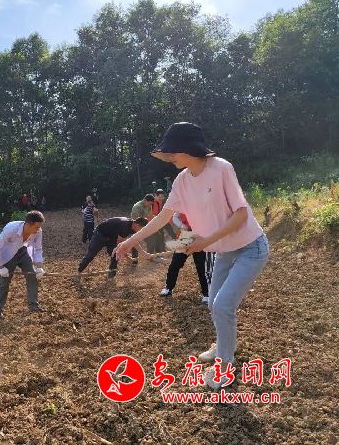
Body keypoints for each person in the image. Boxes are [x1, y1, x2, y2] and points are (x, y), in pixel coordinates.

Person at [113, 122, 269, 390]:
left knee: (222, 306)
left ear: (188, 148)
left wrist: (206, 241)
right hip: (224, 250)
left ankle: (225, 367)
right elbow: (163, 217)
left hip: (250, 247)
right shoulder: (182, 181)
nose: (169, 156)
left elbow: (242, 214)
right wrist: (131, 241)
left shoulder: (221, 169)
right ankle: (223, 345)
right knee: (213, 304)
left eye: (172, 151)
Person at [0, 210, 46, 319]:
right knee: (4, 281)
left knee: (32, 276)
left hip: (23, 251)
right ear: (27, 225)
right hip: (8, 255)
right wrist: (1, 266)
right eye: (36, 227)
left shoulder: (38, 231)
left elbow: (38, 248)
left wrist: (39, 266)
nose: (38, 230)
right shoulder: (10, 229)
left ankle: (33, 305)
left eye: (39, 227)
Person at [76, 216, 148, 283]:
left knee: (115, 255)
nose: (141, 231)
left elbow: (134, 242)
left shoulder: (134, 227)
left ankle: (111, 277)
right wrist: (127, 257)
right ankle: (79, 272)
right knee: (90, 255)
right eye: (142, 229)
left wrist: (143, 253)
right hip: (100, 234)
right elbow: (121, 244)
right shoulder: (125, 226)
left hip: (112, 237)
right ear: (137, 225)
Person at [159, 212, 210, 303]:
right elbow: (175, 216)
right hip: (185, 235)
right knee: (175, 263)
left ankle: (207, 294)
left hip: (200, 235)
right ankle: (168, 288)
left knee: (202, 266)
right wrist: (181, 225)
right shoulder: (183, 204)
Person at [130, 195, 155, 266]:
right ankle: (134, 262)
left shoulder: (149, 206)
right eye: (149, 203)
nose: (150, 205)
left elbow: (150, 215)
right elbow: (137, 221)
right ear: (144, 200)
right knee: (135, 242)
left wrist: (156, 222)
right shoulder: (137, 207)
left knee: (152, 239)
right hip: (135, 227)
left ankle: (149, 256)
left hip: (144, 226)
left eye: (151, 204)